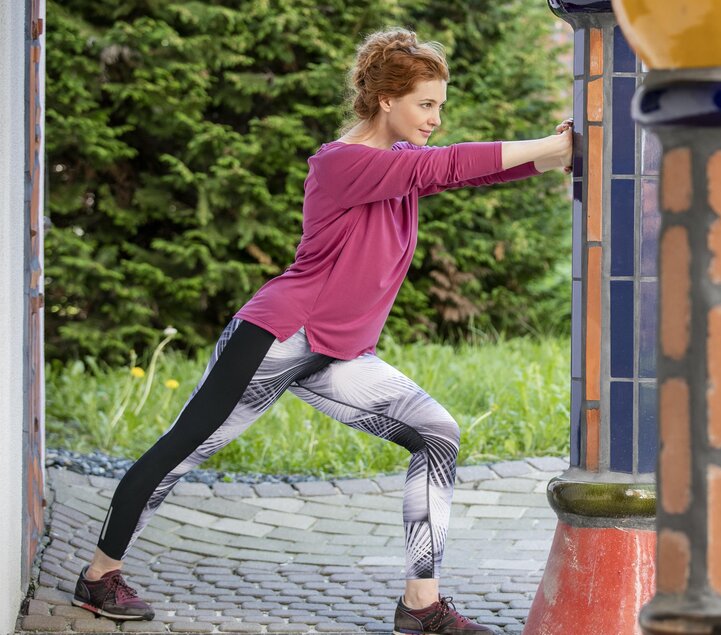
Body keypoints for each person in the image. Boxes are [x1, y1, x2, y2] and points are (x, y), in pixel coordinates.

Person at [70, 26, 573, 635]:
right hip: (278, 336)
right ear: (386, 101)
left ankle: (421, 606)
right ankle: (99, 575)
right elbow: (450, 164)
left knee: (437, 434)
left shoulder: (399, 164)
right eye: (426, 103)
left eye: (440, 104)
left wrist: (552, 155)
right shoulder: (343, 164)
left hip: (339, 350)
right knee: (184, 449)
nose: (436, 117)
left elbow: (459, 173)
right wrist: (542, 146)